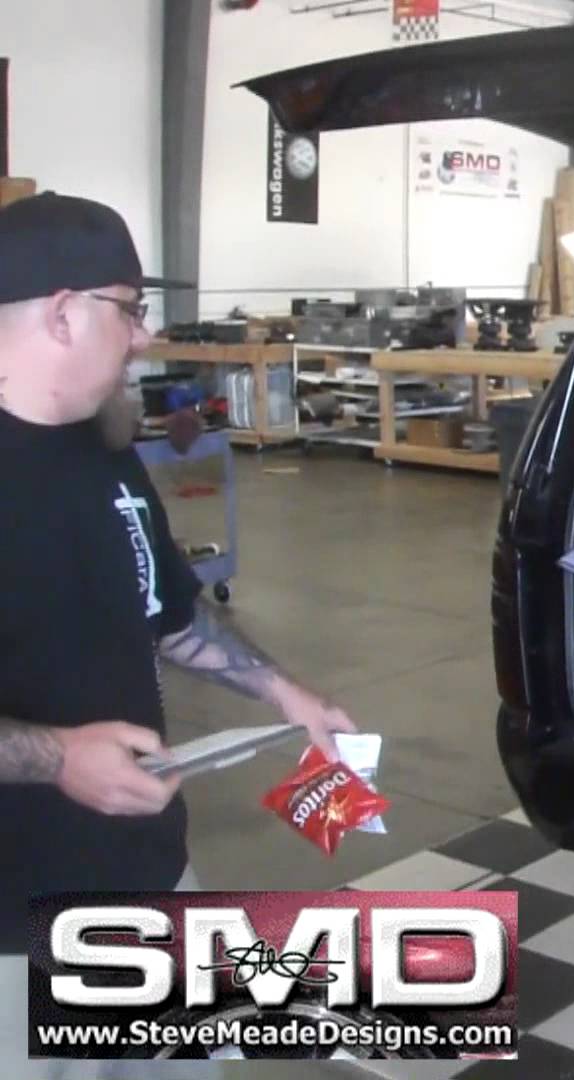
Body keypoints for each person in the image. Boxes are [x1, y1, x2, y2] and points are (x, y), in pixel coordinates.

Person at [0, 192, 359, 1075]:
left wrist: (284, 692)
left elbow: (167, 608)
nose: (145, 335)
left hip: (149, 875)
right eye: (129, 309)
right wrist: (58, 757)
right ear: (62, 313)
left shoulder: (103, 449)